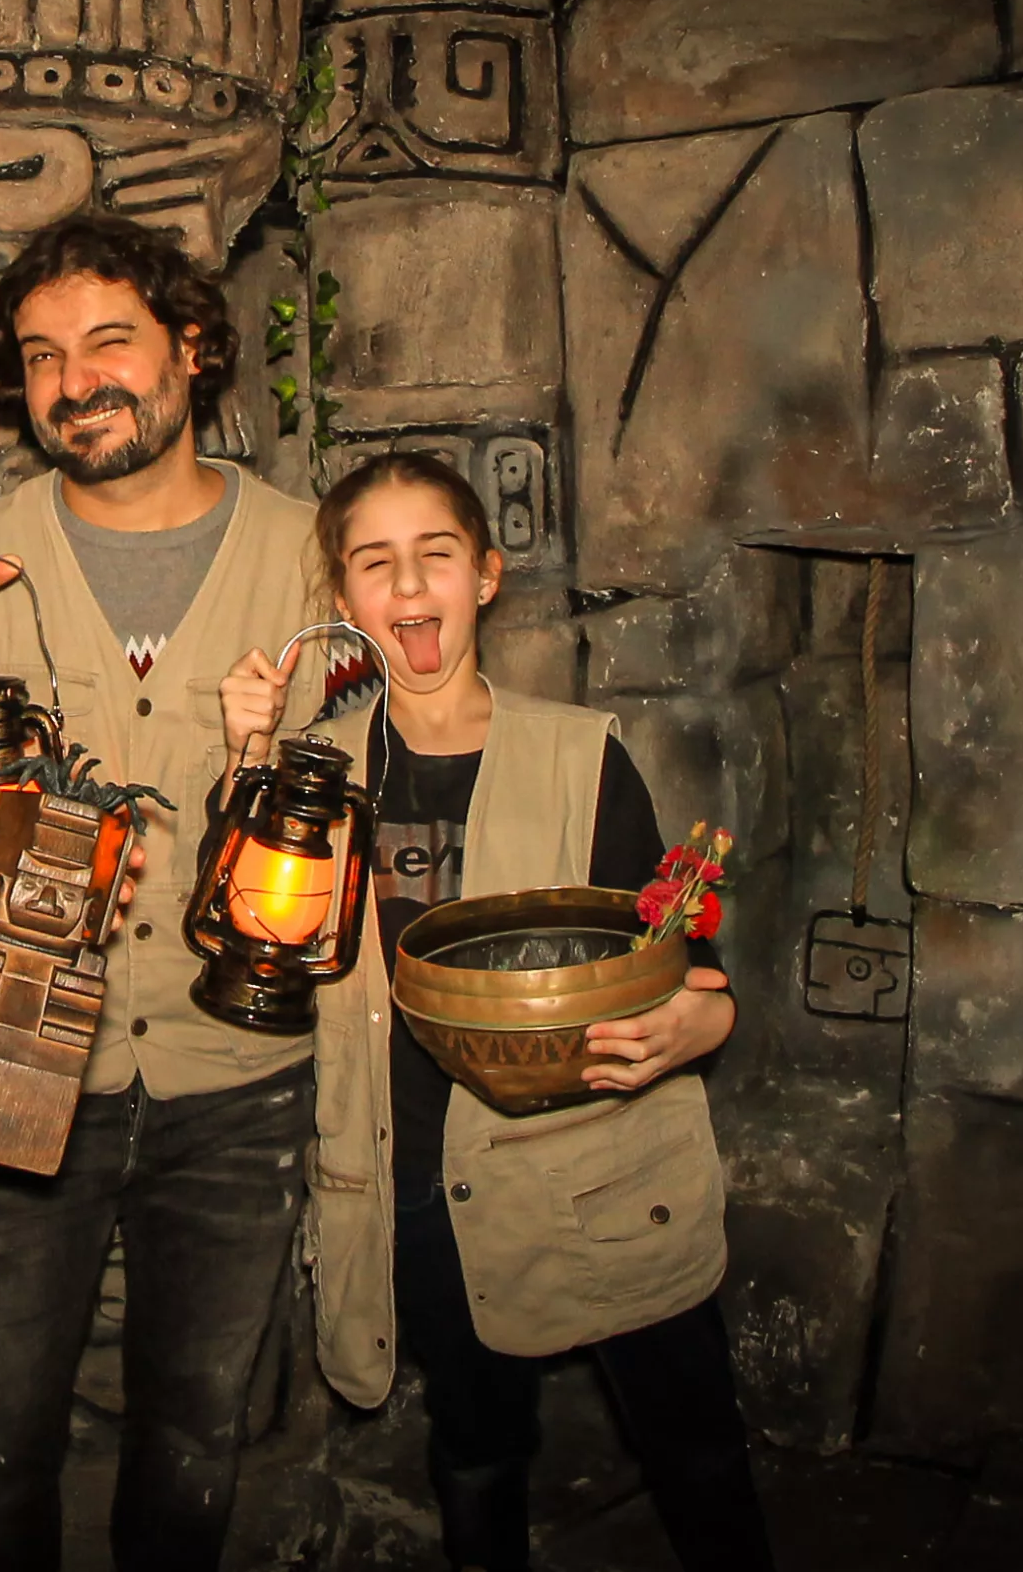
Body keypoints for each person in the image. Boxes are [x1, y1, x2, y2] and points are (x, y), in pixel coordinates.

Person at [0, 214, 324, 1571]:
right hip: (3, 1047)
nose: (75, 382)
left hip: (237, 1071)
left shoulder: (309, 556)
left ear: (193, 345)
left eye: (109, 341)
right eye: (43, 356)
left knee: (193, 1440)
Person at [218, 451, 776, 1572]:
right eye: (374, 562)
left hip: (593, 1172)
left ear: (484, 574)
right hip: (417, 1182)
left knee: (692, 1440)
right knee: (475, 1448)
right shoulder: (313, 772)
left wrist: (703, 1024)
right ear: (343, 599)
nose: (407, 585)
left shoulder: (579, 755)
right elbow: (250, 954)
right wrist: (246, 758)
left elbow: (677, 962)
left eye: (435, 555)